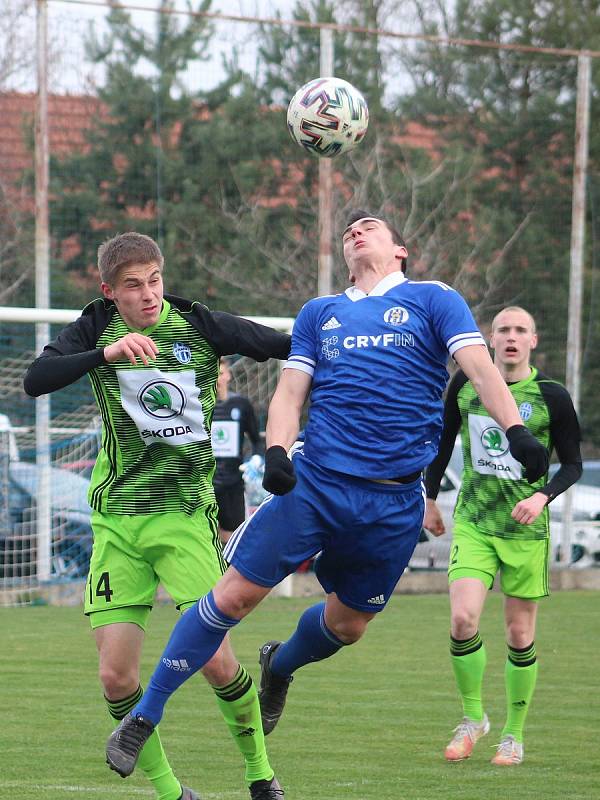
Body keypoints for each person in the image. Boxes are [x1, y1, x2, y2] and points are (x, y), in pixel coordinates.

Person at [104, 211, 549, 781]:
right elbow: (290, 394)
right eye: (349, 230)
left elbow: (482, 371)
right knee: (232, 597)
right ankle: (144, 716)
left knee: (348, 626)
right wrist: (278, 452)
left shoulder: (434, 299)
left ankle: (280, 664)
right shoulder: (321, 312)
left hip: (392, 503)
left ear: (400, 250)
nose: (356, 232)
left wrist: (514, 430)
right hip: (317, 482)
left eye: (370, 226)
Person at [23, 232, 290, 800]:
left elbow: (281, 344)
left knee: (218, 663)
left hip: (183, 515)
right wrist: (106, 355)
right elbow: (35, 380)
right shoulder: (96, 325)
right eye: (132, 286)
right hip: (117, 523)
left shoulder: (200, 324)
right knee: (115, 677)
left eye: (154, 281)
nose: (148, 295)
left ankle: (260, 776)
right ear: (109, 292)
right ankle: (173, 793)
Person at [424, 306, 582, 766]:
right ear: (490, 339)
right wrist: (430, 499)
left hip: (524, 530)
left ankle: (513, 734)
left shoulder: (552, 396)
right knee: (462, 620)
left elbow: (572, 464)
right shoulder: (464, 384)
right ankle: (474, 719)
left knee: (518, 633)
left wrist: (542, 497)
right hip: (474, 521)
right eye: (503, 330)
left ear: (533, 340)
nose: (511, 338)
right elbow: (443, 444)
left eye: (520, 331)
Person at [212, 357, 261, 543]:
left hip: (232, 482)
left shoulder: (241, 405)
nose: (217, 378)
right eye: (214, 373)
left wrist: (256, 459)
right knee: (207, 537)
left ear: (228, 376)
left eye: (221, 373)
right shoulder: (197, 406)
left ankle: (229, 571)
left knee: (234, 538)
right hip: (205, 483)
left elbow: (256, 439)